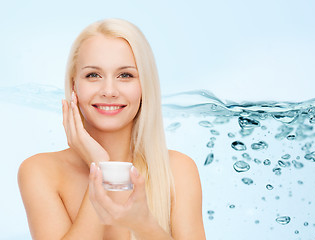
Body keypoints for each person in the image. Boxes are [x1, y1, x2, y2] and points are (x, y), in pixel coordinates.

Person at [18, 18, 206, 240]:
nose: (109, 90)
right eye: (93, 75)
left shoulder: (178, 170)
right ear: (74, 85)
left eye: (125, 75)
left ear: (144, 85)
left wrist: (144, 225)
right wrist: (102, 168)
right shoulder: (40, 171)